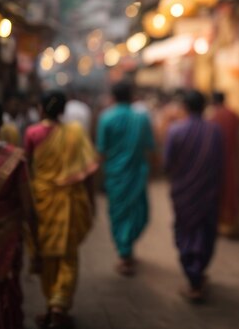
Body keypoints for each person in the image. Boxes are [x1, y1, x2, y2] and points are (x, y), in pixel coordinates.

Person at [24, 90, 98, 328]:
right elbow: (88, 172)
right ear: (63, 111)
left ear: (41, 109)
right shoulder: (75, 133)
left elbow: (26, 169)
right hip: (70, 201)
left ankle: (52, 304)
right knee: (67, 255)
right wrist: (92, 202)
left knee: (47, 254)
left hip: (42, 200)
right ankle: (59, 305)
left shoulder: (32, 133)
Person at [0, 95, 38, 329]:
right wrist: (39, 244)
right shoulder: (15, 159)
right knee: (1, 292)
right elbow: (28, 207)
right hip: (3, 241)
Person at [164, 90, 224, 302]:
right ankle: (198, 274)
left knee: (186, 231)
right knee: (206, 232)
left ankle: (193, 277)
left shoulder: (175, 130)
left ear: (185, 107)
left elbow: (167, 163)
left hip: (183, 193)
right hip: (208, 192)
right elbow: (220, 163)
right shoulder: (214, 130)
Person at [97, 80, 155, 276]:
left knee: (118, 215)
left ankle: (125, 250)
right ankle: (126, 252)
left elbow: (101, 150)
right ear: (131, 97)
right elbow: (151, 147)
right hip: (137, 174)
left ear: (113, 97)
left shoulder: (106, 118)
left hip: (115, 175)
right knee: (140, 214)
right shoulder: (142, 118)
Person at [207, 91, 239, 237]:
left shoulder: (212, 117)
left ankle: (218, 224)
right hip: (233, 158)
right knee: (231, 190)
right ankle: (231, 225)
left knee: (218, 191)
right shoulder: (234, 115)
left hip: (216, 160)